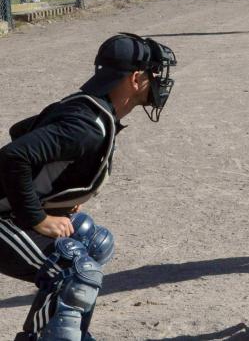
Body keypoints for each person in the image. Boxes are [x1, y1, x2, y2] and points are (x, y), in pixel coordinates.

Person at [0, 33, 177, 341]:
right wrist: (37, 218)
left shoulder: (95, 112)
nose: (159, 82)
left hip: (10, 209)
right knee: (74, 269)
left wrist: (56, 195)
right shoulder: (86, 126)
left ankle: (58, 334)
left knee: (94, 243)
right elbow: (14, 156)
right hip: (5, 217)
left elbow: (23, 131)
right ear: (135, 78)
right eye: (153, 74)